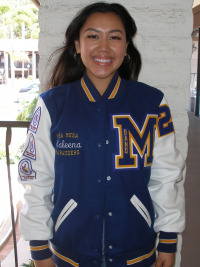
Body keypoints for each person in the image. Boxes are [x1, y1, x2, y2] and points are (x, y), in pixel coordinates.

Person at [18, 2, 185, 267]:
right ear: (77, 45)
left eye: (115, 37)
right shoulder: (52, 106)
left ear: (126, 46)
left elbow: (167, 177)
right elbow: (36, 181)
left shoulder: (153, 104)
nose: (104, 47)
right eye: (93, 36)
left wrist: (168, 239)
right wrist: (39, 249)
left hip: (137, 256)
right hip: (69, 257)